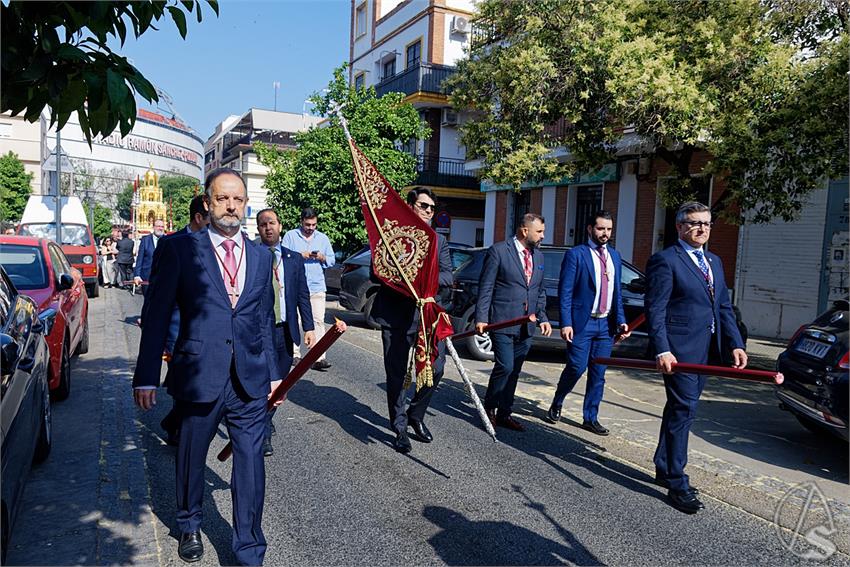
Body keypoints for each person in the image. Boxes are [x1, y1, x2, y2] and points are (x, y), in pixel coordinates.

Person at [133, 168, 280, 565]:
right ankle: (189, 523)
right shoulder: (180, 249)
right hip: (199, 373)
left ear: (245, 204)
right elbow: (157, 313)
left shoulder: (262, 257)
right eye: (222, 199)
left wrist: (274, 373)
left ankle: (249, 547)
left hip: (248, 380)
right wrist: (146, 375)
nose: (230, 206)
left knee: (250, 465)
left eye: (238, 199)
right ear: (207, 202)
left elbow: (263, 318)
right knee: (191, 457)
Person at [646, 201, 747, 515]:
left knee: (679, 407)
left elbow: (724, 308)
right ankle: (677, 480)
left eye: (706, 223)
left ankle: (664, 465)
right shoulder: (666, 261)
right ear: (679, 227)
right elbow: (656, 309)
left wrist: (735, 343)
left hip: (707, 349)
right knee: (685, 408)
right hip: (679, 350)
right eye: (694, 223)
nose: (701, 228)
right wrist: (662, 348)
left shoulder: (714, 261)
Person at [372, 187, 453, 454]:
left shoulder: (439, 241)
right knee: (396, 375)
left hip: (425, 318)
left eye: (432, 208)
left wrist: (423, 283)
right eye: (424, 205)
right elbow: (377, 272)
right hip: (395, 316)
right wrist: (399, 277)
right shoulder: (392, 234)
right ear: (410, 206)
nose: (429, 211)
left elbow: (448, 278)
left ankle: (416, 415)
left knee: (436, 368)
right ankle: (399, 427)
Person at [547, 211, 630, 435]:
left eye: (609, 229)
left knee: (598, 373)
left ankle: (590, 417)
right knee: (576, 367)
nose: (605, 234)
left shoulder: (615, 256)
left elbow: (617, 294)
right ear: (590, 229)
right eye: (601, 229)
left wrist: (621, 322)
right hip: (582, 323)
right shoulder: (576, 254)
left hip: (606, 325)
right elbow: (565, 291)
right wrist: (566, 323)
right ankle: (558, 400)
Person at [475, 213, 552, 432]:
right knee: (505, 366)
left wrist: (543, 318)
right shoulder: (499, 251)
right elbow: (486, 287)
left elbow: (539, 290)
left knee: (515, 370)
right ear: (524, 230)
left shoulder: (539, 257)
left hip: (526, 325)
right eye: (539, 232)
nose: (542, 236)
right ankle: (488, 408)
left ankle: (505, 413)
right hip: (502, 321)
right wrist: (481, 318)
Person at [152, 195, 210, 447]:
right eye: (211, 218)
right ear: (199, 218)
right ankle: (178, 429)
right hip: (178, 333)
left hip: (207, 332)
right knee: (183, 385)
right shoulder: (171, 245)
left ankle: (175, 423)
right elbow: (158, 302)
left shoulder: (218, 247)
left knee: (197, 385)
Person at [257, 207, 315, 457]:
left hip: (285, 331)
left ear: (280, 226)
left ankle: (267, 416)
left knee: (280, 383)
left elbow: (302, 294)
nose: (268, 227)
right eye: (262, 224)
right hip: (259, 331)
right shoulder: (252, 255)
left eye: (272, 223)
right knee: (263, 381)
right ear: (258, 229)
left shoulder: (293, 258)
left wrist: (309, 327)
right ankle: (263, 432)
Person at [282, 207, 335, 371]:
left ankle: (319, 357)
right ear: (301, 222)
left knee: (318, 320)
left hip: (316, 285)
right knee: (294, 320)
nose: (311, 228)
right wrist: (300, 255)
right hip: (295, 286)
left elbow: (331, 261)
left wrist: (322, 257)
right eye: (308, 224)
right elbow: (282, 256)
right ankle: (294, 354)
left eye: (314, 225)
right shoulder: (290, 236)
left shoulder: (323, 238)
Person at [133, 218, 166, 293]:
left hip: (163, 277)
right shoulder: (145, 240)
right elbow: (140, 258)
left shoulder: (168, 240)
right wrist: (137, 275)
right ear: (153, 227)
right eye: (158, 226)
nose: (160, 228)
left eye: (162, 226)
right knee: (148, 302)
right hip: (147, 277)